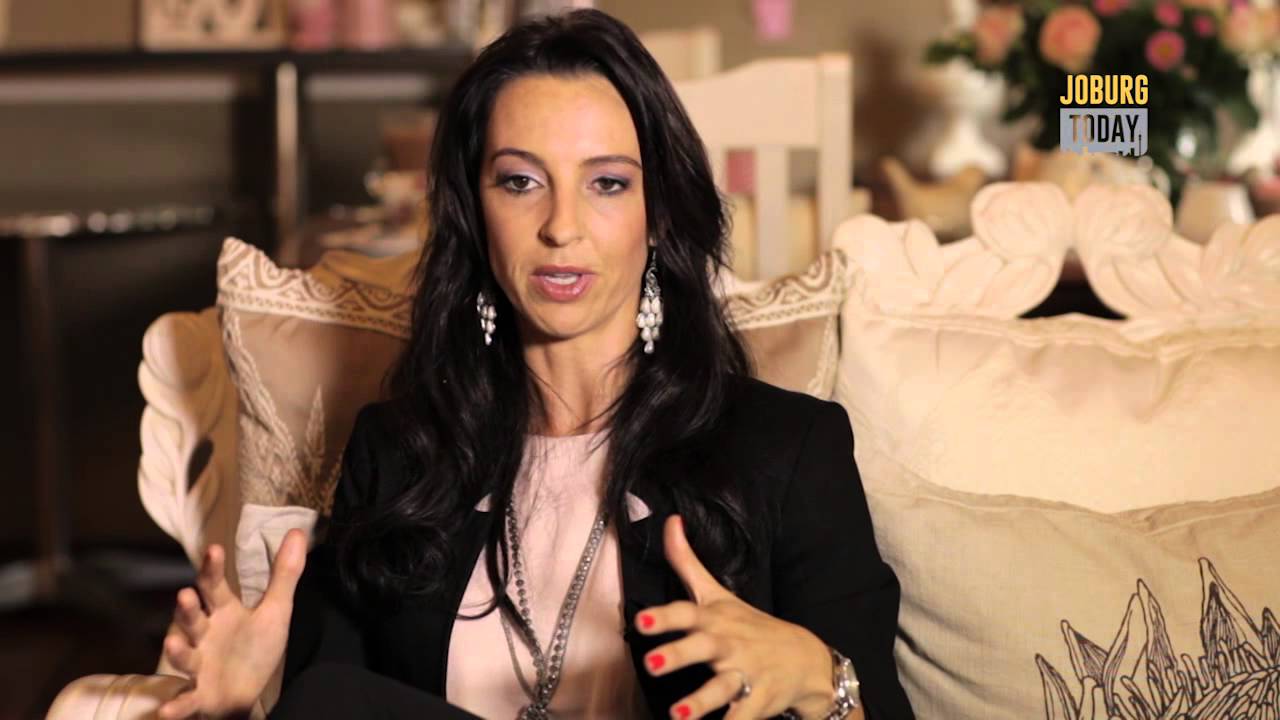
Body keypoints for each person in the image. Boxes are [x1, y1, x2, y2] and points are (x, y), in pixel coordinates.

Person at [155, 9, 914, 720]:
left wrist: (820, 675)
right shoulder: (398, 454)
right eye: (520, 181)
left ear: (658, 215)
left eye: (607, 183)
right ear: (475, 211)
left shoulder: (788, 449)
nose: (561, 226)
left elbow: (875, 702)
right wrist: (242, 706)